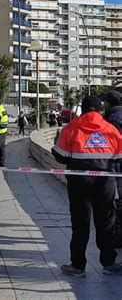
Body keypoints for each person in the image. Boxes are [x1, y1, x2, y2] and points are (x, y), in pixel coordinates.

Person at [52, 96, 122, 277]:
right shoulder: (110, 128)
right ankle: (108, 263)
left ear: (82, 109)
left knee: (80, 222)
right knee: (106, 221)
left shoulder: (72, 127)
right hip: (105, 181)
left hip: (78, 182)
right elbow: (119, 155)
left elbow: (60, 156)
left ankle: (78, 266)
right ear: (100, 110)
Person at [103, 90, 122, 248]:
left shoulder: (113, 118)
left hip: (116, 164)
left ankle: (118, 237)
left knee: (117, 201)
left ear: (108, 103)